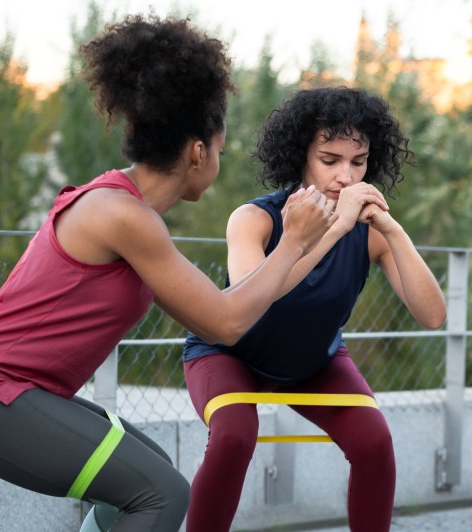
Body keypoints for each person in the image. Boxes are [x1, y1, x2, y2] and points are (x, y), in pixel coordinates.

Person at [0, 15, 336, 532]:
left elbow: (230, 307)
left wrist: (309, 242)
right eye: (220, 150)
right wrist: (292, 240)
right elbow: (226, 324)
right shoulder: (122, 215)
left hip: (14, 388)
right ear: (198, 151)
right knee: (159, 494)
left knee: (148, 475)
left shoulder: (131, 214)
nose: (219, 160)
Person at [182, 86, 447, 531]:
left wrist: (395, 232)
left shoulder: (371, 232)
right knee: (233, 436)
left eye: (358, 162)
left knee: (373, 441)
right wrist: (334, 228)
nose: (346, 176)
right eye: (330, 160)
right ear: (301, 155)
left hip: (313, 362)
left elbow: (434, 316)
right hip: (229, 355)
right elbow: (253, 298)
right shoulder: (253, 219)